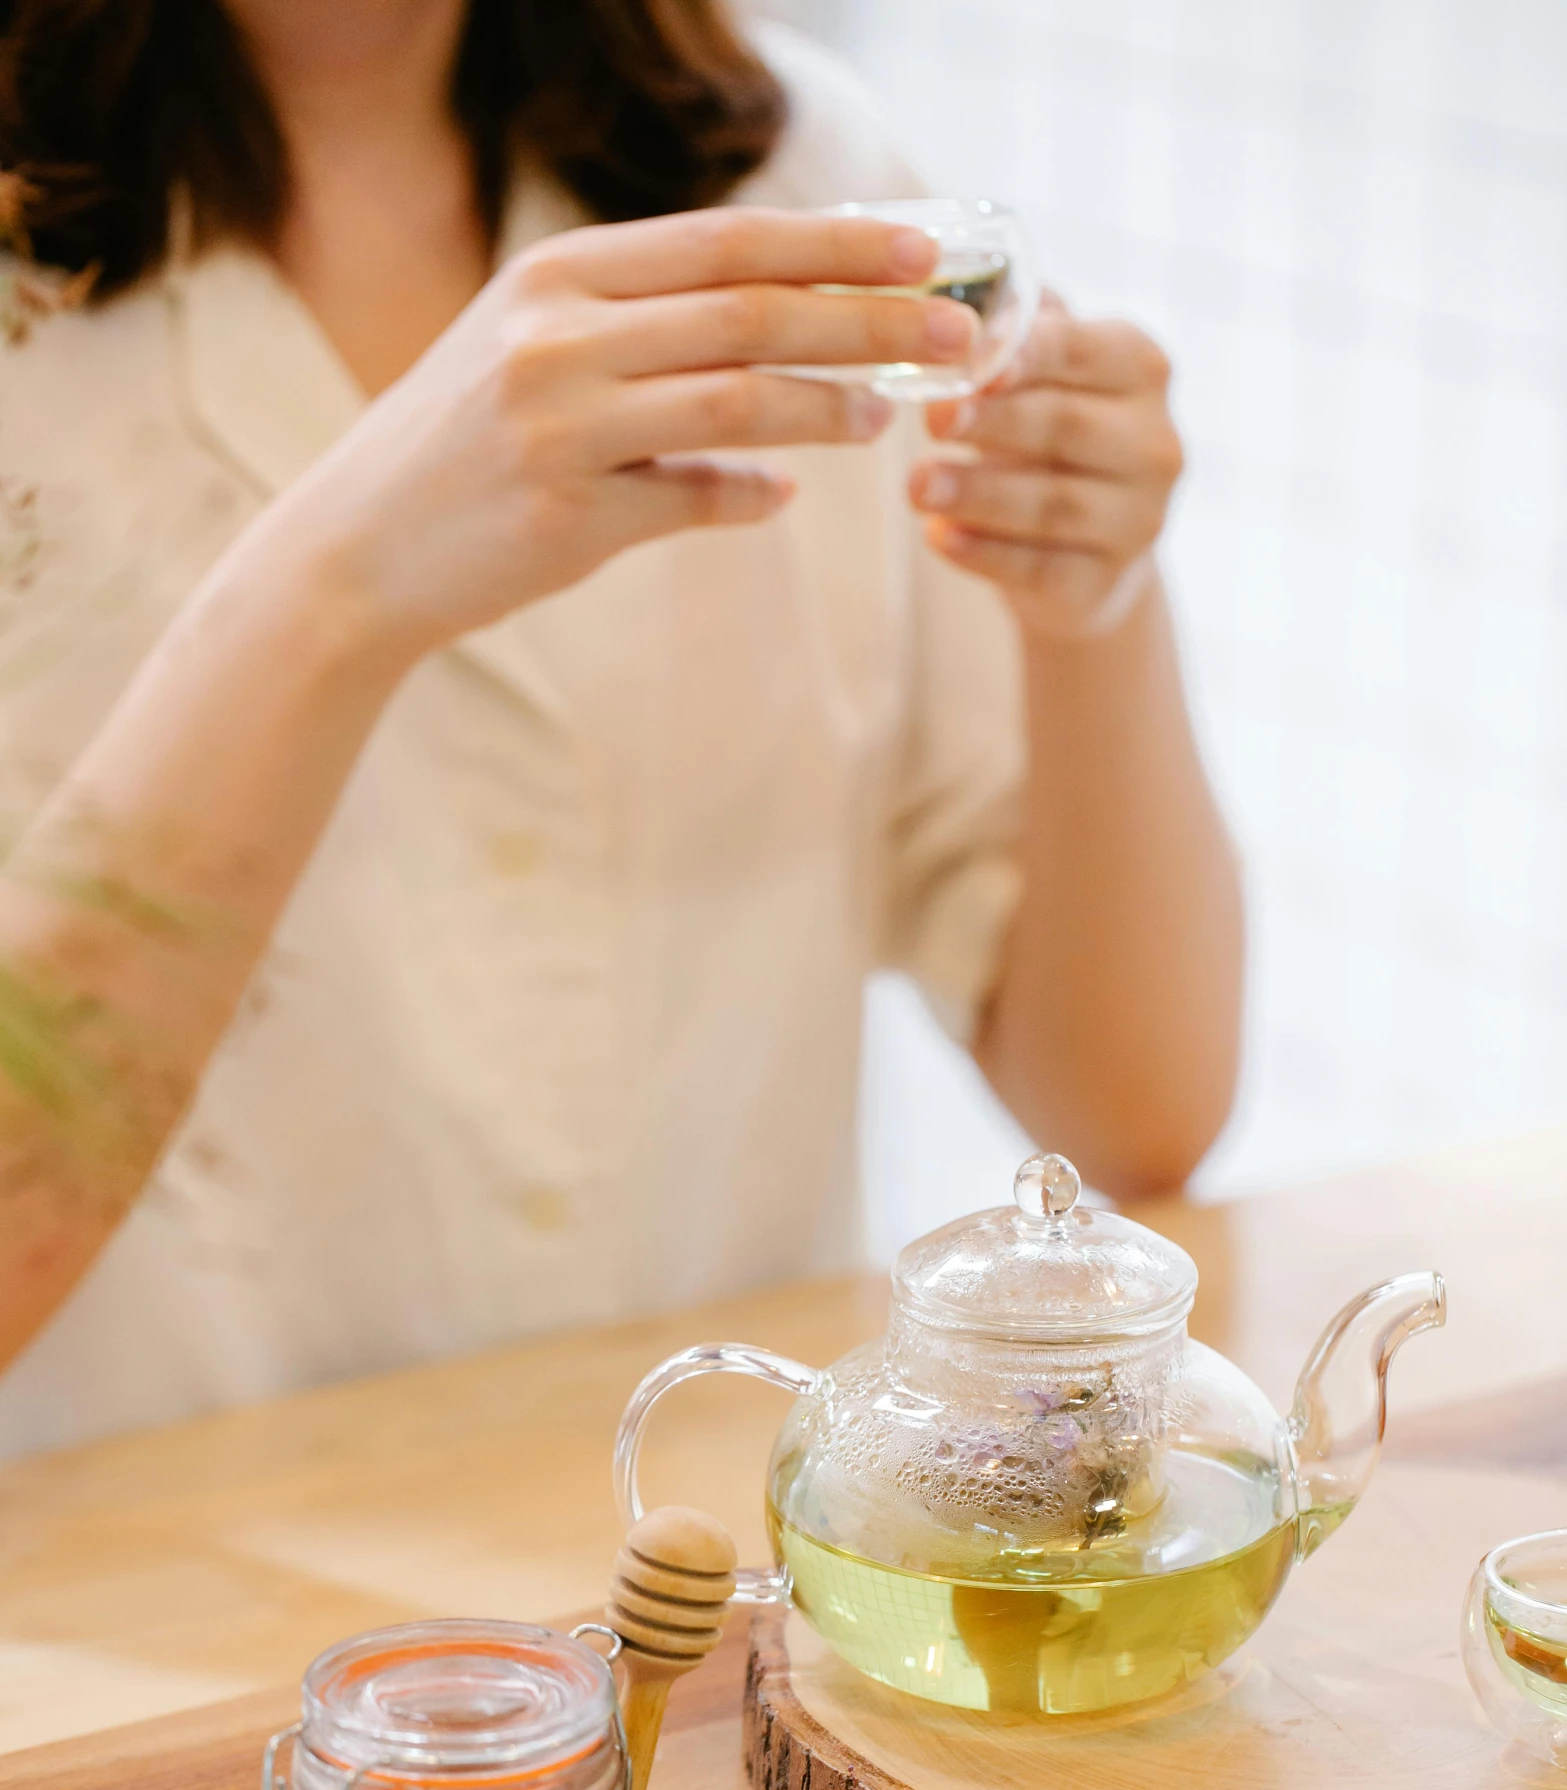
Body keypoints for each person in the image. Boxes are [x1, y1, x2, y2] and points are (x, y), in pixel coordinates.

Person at [0, 0, 1242, 1456]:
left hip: (706, 1579)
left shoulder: (795, 173)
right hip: (133, 1623)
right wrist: (329, 586)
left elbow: (1133, 1114)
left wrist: (1088, 605)